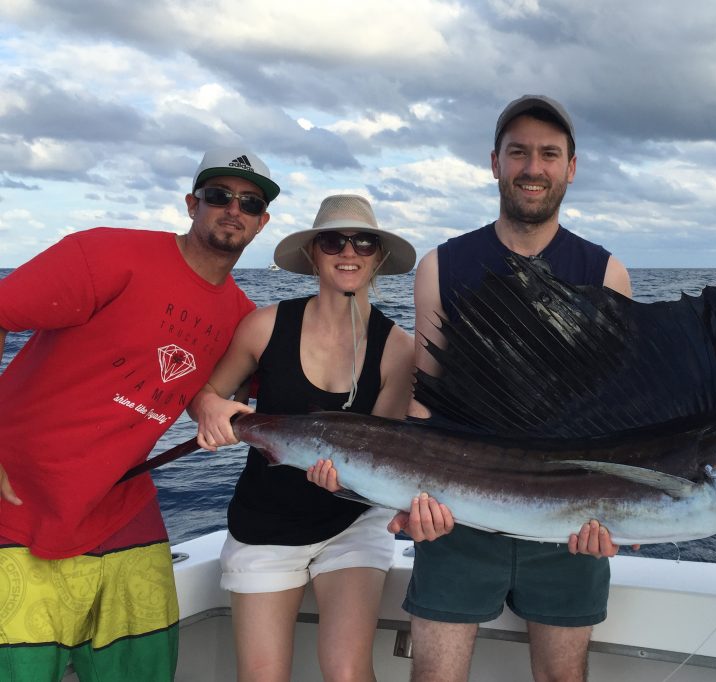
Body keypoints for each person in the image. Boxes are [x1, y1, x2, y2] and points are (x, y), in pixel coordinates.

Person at [0, 147, 278, 681]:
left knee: (145, 669)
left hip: (120, 504)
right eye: (219, 195)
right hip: (19, 497)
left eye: (249, 202)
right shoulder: (104, 254)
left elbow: (289, 391)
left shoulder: (243, 317)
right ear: (192, 203)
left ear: (262, 222)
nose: (233, 209)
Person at [389, 95, 632, 682]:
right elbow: (426, 398)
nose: (533, 167)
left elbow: (616, 419)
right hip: (455, 514)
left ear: (571, 168)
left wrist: (621, 517)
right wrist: (410, 498)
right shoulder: (440, 266)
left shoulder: (606, 274)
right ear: (494, 162)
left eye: (550, 154)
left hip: (570, 524)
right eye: (518, 152)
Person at [189, 194, 416, 682]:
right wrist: (209, 409)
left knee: (348, 673)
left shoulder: (399, 348)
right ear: (314, 253)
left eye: (364, 242)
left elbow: (382, 453)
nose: (348, 251)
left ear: (378, 256)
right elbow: (208, 393)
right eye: (333, 241)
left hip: (351, 519)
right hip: (265, 521)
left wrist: (349, 485)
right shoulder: (265, 325)